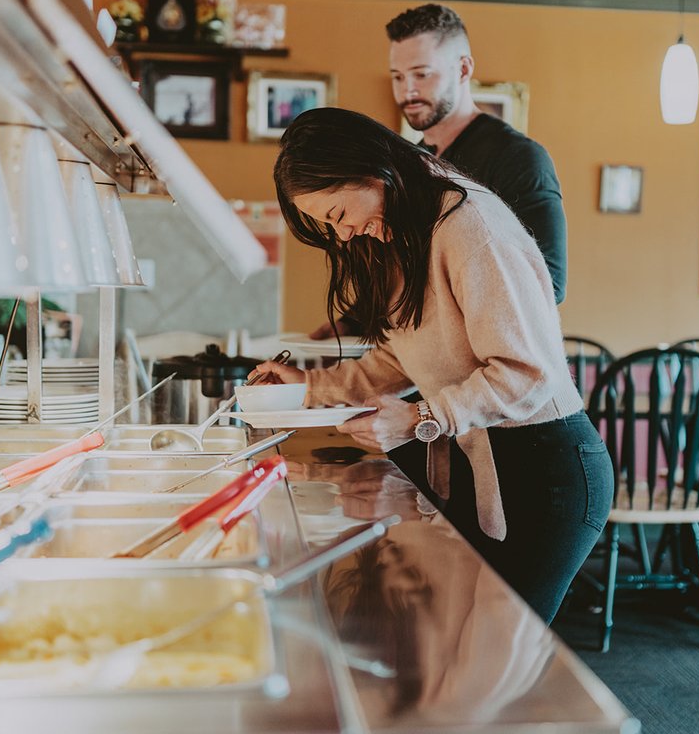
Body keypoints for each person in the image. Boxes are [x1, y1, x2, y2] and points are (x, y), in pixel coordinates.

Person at [254, 107, 610, 621]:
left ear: (372, 172)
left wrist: (422, 417)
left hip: (545, 470)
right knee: (460, 648)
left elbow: (528, 373)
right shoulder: (406, 231)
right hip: (480, 459)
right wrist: (308, 388)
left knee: (498, 655)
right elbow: (404, 354)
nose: (345, 234)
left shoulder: (470, 227)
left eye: (338, 214)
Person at [310, 2, 567, 341]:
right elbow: (405, 265)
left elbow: (549, 280)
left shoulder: (518, 157)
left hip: (493, 358)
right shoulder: (410, 161)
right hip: (418, 359)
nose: (408, 91)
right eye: (398, 77)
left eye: (421, 74)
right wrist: (352, 322)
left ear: (463, 69)